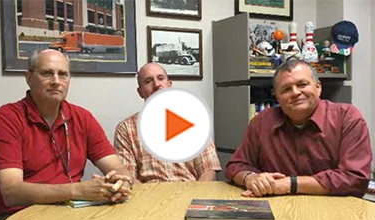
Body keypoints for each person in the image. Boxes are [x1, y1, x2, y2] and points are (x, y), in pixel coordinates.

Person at [0, 49, 133, 220]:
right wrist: (78, 190)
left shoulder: (82, 117)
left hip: (67, 214)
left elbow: (116, 167)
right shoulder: (6, 119)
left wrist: (120, 183)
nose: (56, 81)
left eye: (63, 74)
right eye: (47, 73)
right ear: (28, 78)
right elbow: (12, 192)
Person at [225, 59, 372, 198]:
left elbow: (355, 179)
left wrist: (290, 184)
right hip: (278, 210)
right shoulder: (262, 121)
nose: (295, 93)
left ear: (318, 87)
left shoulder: (347, 118)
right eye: (286, 89)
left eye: (302, 84)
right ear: (277, 97)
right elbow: (236, 165)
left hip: (335, 211)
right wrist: (250, 178)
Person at [114, 63, 221, 183]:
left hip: (190, 193)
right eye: (148, 81)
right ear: (140, 92)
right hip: (149, 196)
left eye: (160, 78)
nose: (156, 85)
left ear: (169, 84)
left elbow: (208, 170)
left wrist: (197, 198)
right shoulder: (126, 129)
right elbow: (128, 177)